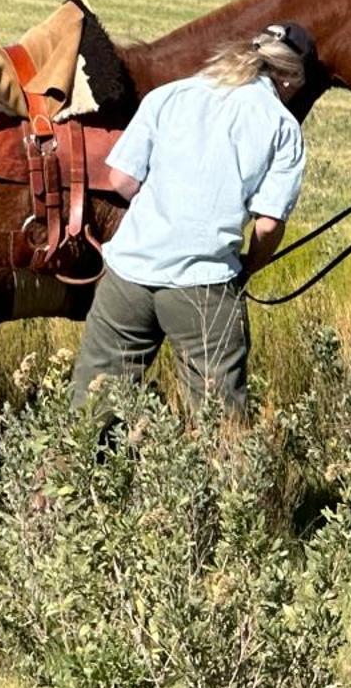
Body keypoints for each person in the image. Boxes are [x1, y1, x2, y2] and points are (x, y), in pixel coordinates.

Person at [70, 22, 312, 420]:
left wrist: (163, 215)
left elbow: (121, 179)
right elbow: (268, 225)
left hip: (129, 273)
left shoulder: (171, 95)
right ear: (290, 78)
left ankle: (72, 478)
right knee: (220, 425)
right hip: (204, 286)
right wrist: (250, 265)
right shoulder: (281, 125)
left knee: (92, 410)